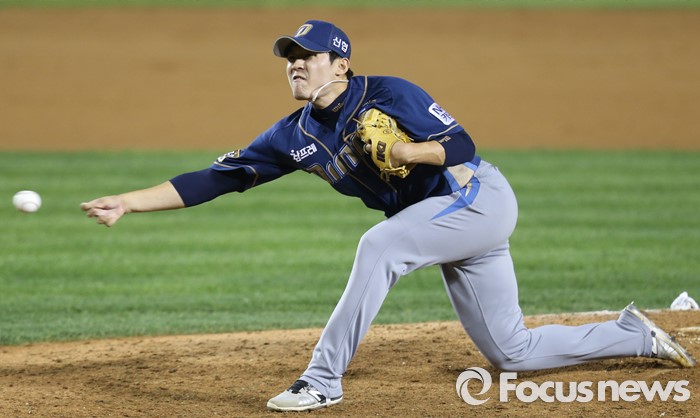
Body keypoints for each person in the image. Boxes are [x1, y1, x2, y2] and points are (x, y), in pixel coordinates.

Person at [81, 20, 696, 412]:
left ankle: (322, 381)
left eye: (309, 55)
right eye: (290, 56)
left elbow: (461, 145)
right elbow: (218, 178)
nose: (296, 63)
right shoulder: (291, 135)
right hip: (443, 224)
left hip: (475, 199)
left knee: (378, 245)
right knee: (513, 353)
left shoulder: (389, 93)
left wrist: (407, 151)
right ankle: (633, 334)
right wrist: (129, 202)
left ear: (341, 64)